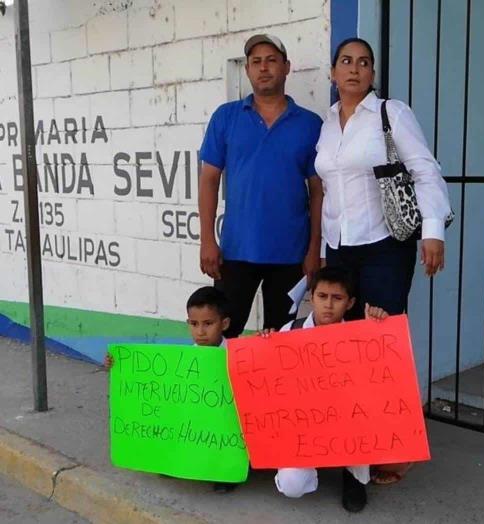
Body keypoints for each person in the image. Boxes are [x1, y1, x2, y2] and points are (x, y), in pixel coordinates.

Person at [315, 37, 453, 484]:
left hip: (384, 245)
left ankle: (393, 450)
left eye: (364, 63)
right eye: (346, 61)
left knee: (380, 348)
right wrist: (323, 250)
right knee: (345, 348)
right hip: (340, 247)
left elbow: (424, 170)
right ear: (333, 72)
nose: (354, 69)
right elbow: (328, 189)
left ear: (372, 73)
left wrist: (432, 231)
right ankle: (352, 440)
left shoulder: (391, 113)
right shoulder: (327, 124)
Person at [198, 33, 324, 339]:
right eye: (256, 62)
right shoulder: (226, 117)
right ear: (247, 70)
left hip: (291, 254)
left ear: (286, 67)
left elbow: (318, 192)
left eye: (271, 60)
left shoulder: (310, 124)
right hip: (235, 251)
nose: (263, 68)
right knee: (223, 336)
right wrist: (207, 240)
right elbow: (209, 180)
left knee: (280, 340)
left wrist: (314, 249)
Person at [267, 266, 389, 513]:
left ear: (350, 303)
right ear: (311, 297)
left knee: (363, 411)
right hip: (302, 424)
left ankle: (354, 476)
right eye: (322, 296)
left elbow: (380, 380)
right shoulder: (289, 332)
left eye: (337, 298)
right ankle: (310, 464)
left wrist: (376, 331)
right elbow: (270, 384)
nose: (329, 305)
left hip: (346, 422)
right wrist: (264, 346)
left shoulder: (360, 334)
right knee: (292, 486)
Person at [104, 286, 237, 493]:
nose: (200, 332)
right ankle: (171, 461)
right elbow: (152, 385)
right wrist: (117, 365)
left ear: (224, 324)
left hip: (227, 426)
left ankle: (226, 472)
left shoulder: (238, 355)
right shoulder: (181, 360)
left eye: (208, 324)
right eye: (194, 324)